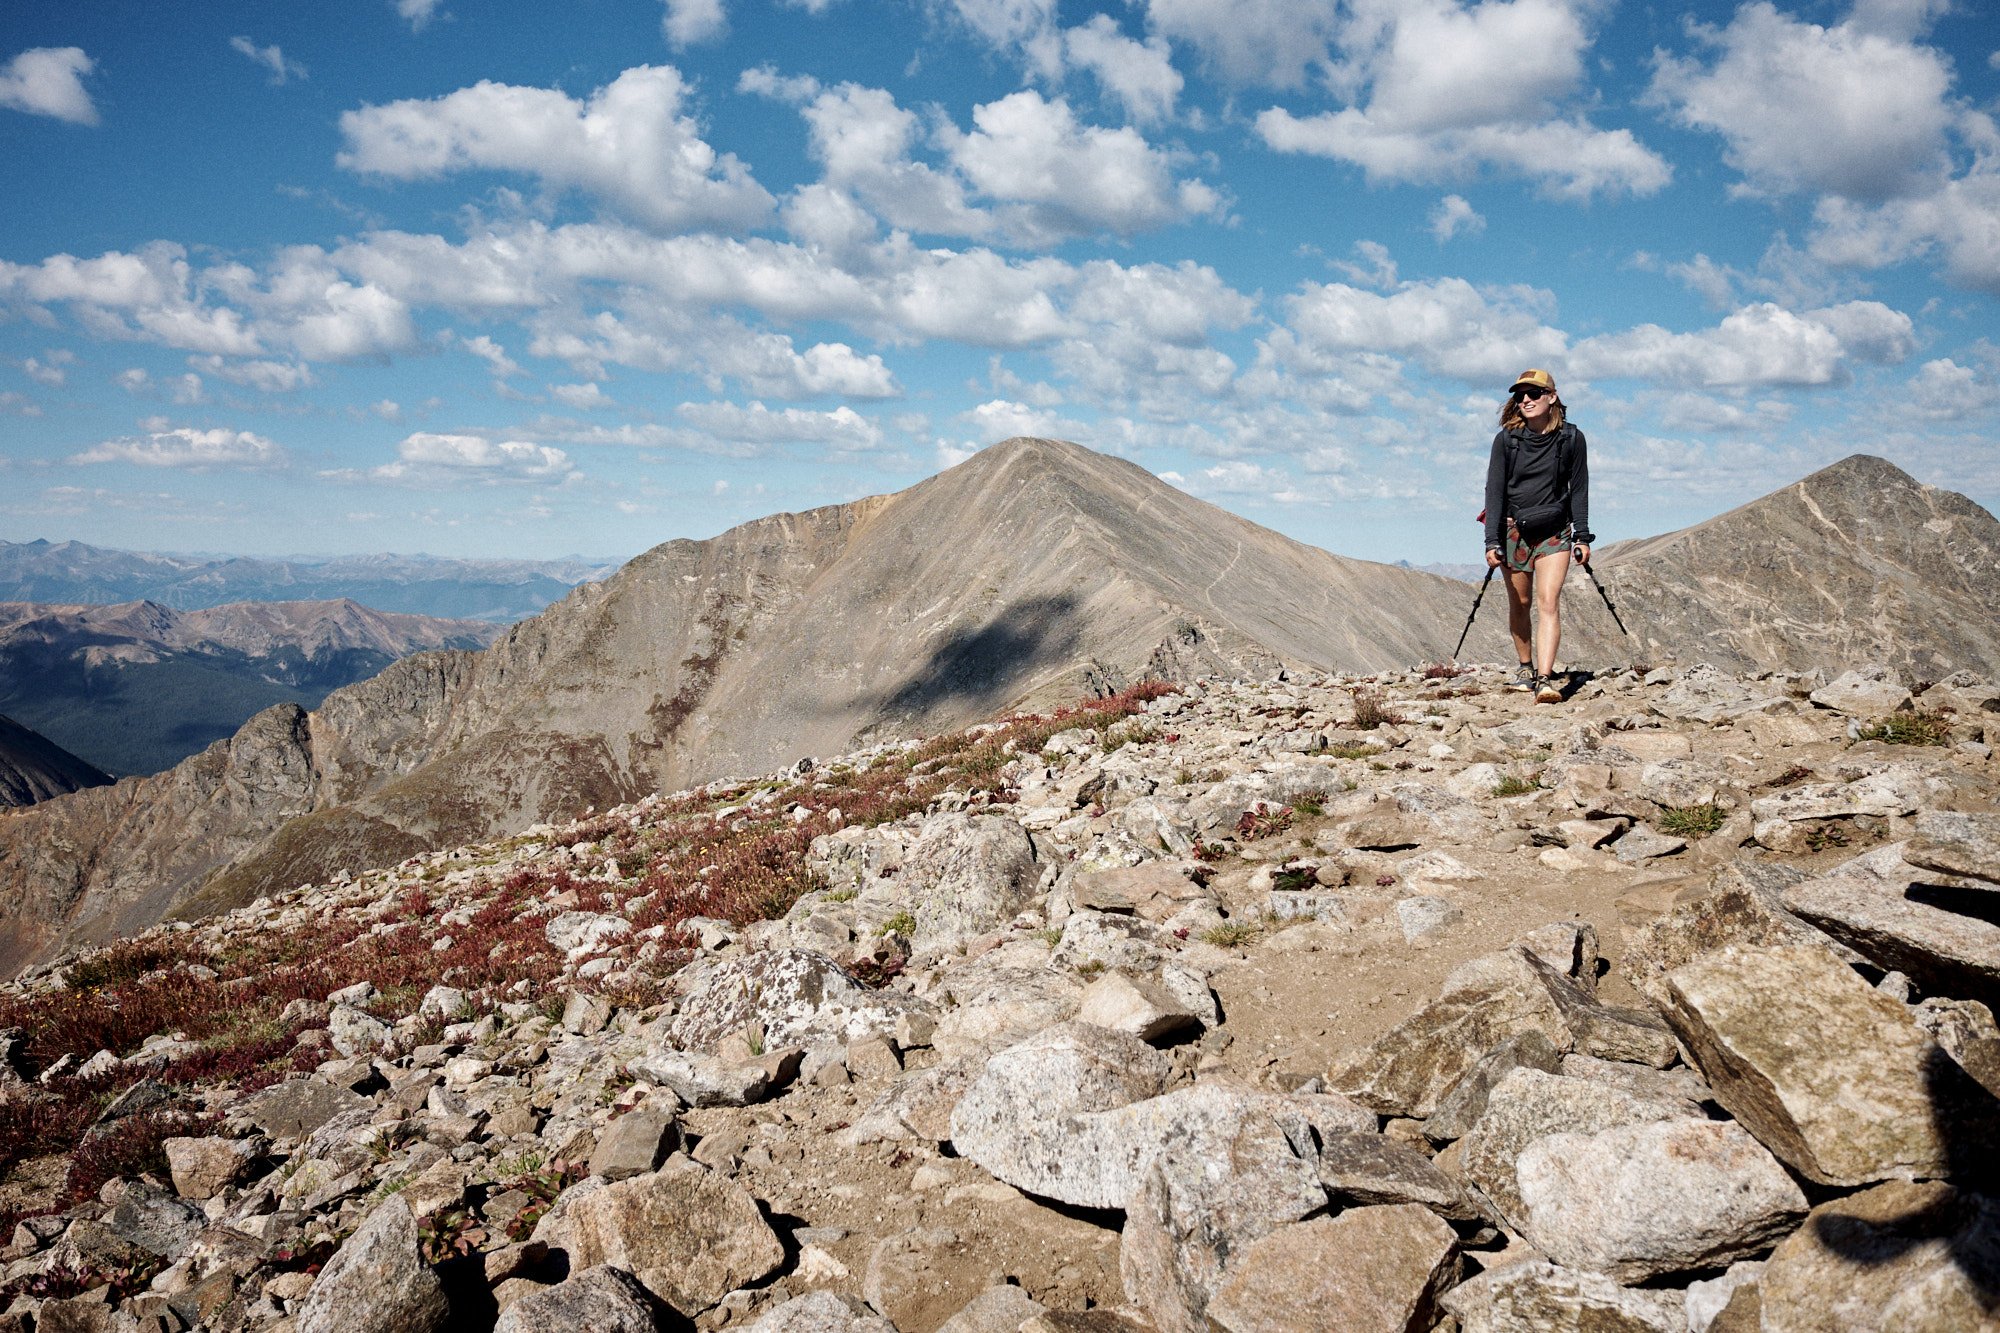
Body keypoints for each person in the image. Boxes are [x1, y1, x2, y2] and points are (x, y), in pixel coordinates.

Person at [1482, 368, 1593, 704]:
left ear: (1552, 397)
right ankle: (1525, 668)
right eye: (1520, 395)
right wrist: (1491, 541)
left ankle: (1545, 681)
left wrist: (1582, 537)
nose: (1526, 400)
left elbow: (1579, 489)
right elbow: (1495, 492)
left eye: (1533, 393)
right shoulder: (1506, 440)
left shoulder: (1572, 439)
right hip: (1513, 531)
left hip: (1554, 532)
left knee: (1548, 602)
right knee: (1521, 603)